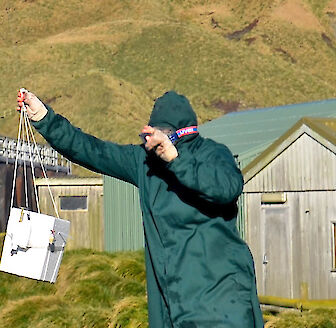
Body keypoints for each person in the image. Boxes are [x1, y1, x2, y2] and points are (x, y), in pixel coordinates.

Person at [17, 88, 262, 328]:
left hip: (223, 302)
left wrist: (176, 159)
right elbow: (90, 149)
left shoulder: (212, 153)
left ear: (181, 133)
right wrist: (44, 117)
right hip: (171, 306)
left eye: (164, 134)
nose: (157, 141)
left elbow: (227, 188)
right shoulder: (143, 161)